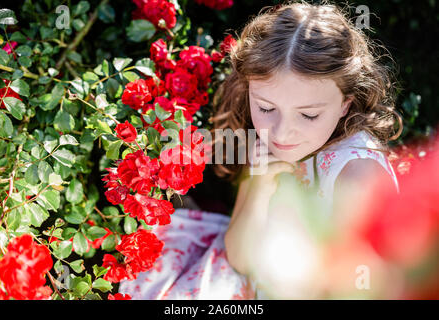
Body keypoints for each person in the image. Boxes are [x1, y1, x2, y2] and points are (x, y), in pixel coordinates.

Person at [118, 1, 403, 299]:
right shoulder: (266, 140)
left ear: (345, 103)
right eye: (266, 107)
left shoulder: (358, 176)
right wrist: (259, 186)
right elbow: (240, 258)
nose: (281, 132)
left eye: (308, 115)